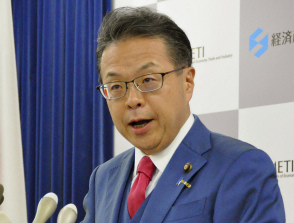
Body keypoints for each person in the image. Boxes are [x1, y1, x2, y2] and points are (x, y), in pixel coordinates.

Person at [82, 7, 285, 223]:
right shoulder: (103, 178)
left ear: (187, 82)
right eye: (115, 86)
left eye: (148, 80)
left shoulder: (241, 168)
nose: (132, 100)